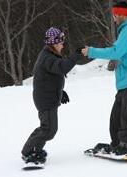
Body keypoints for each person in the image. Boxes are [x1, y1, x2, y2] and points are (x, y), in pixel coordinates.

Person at [82, 1, 127, 156]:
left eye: (114, 15)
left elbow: (116, 51)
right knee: (116, 115)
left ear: (121, 14)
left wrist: (91, 51)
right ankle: (117, 143)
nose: (113, 18)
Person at [21, 27, 84, 164]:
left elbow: (51, 77)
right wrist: (76, 55)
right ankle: (27, 151)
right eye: (61, 40)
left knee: (48, 128)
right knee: (48, 130)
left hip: (48, 96)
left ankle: (35, 150)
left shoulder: (50, 55)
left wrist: (60, 92)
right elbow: (62, 67)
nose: (63, 43)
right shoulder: (47, 58)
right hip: (45, 99)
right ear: (53, 42)